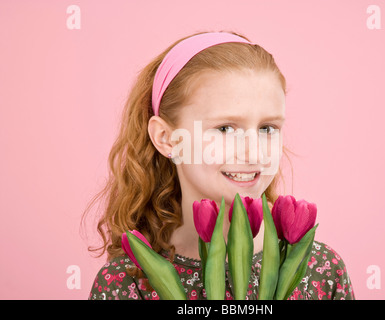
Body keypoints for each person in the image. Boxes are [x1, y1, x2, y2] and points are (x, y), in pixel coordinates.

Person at [84, 30, 355, 300]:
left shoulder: (321, 271)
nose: (254, 152)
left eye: (267, 128)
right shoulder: (127, 284)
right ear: (167, 139)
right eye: (225, 128)